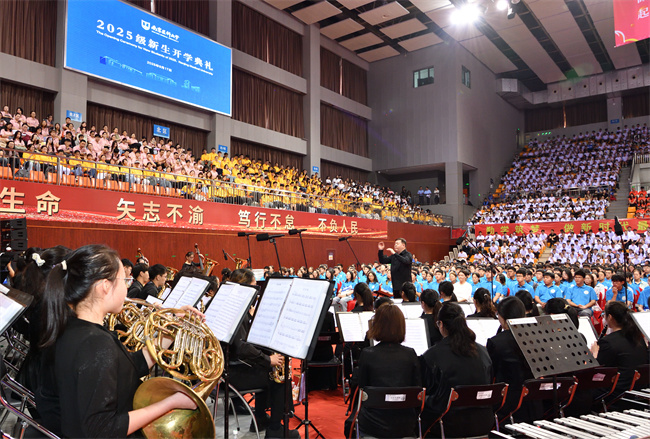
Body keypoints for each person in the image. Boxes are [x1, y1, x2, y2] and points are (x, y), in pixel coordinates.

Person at [35, 244, 196, 438]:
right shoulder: (95, 344)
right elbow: (102, 429)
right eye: (124, 281)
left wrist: (172, 327)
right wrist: (170, 403)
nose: (127, 287)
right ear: (105, 286)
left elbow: (130, 367)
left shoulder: (71, 327)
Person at [228, 268, 299, 438]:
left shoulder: (234, 305)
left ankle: (259, 419)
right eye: (255, 287)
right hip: (234, 373)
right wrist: (268, 359)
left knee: (267, 367)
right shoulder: (238, 311)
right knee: (278, 375)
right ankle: (275, 429)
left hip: (229, 369)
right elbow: (242, 347)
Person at [421, 302, 493, 437]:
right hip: (484, 422)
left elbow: (428, 394)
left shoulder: (432, 355)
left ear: (441, 324)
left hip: (449, 425)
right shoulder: (483, 351)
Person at [352, 304, 421, 438]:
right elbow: (417, 390)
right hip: (404, 424)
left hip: (373, 424)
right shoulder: (410, 354)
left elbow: (362, 391)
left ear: (377, 325)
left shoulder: (368, 354)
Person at [487, 297, 539, 423]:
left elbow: (491, 375)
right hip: (534, 403)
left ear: (502, 317)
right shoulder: (536, 338)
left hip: (507, 405)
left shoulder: (496, 342)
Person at [591, 301, 649, 404]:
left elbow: (598, 373)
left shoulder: (607, 342)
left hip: (616, 393)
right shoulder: (638, 337)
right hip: (635, 389)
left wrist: (595, 355)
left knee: (582, 392)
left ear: (610, 317)